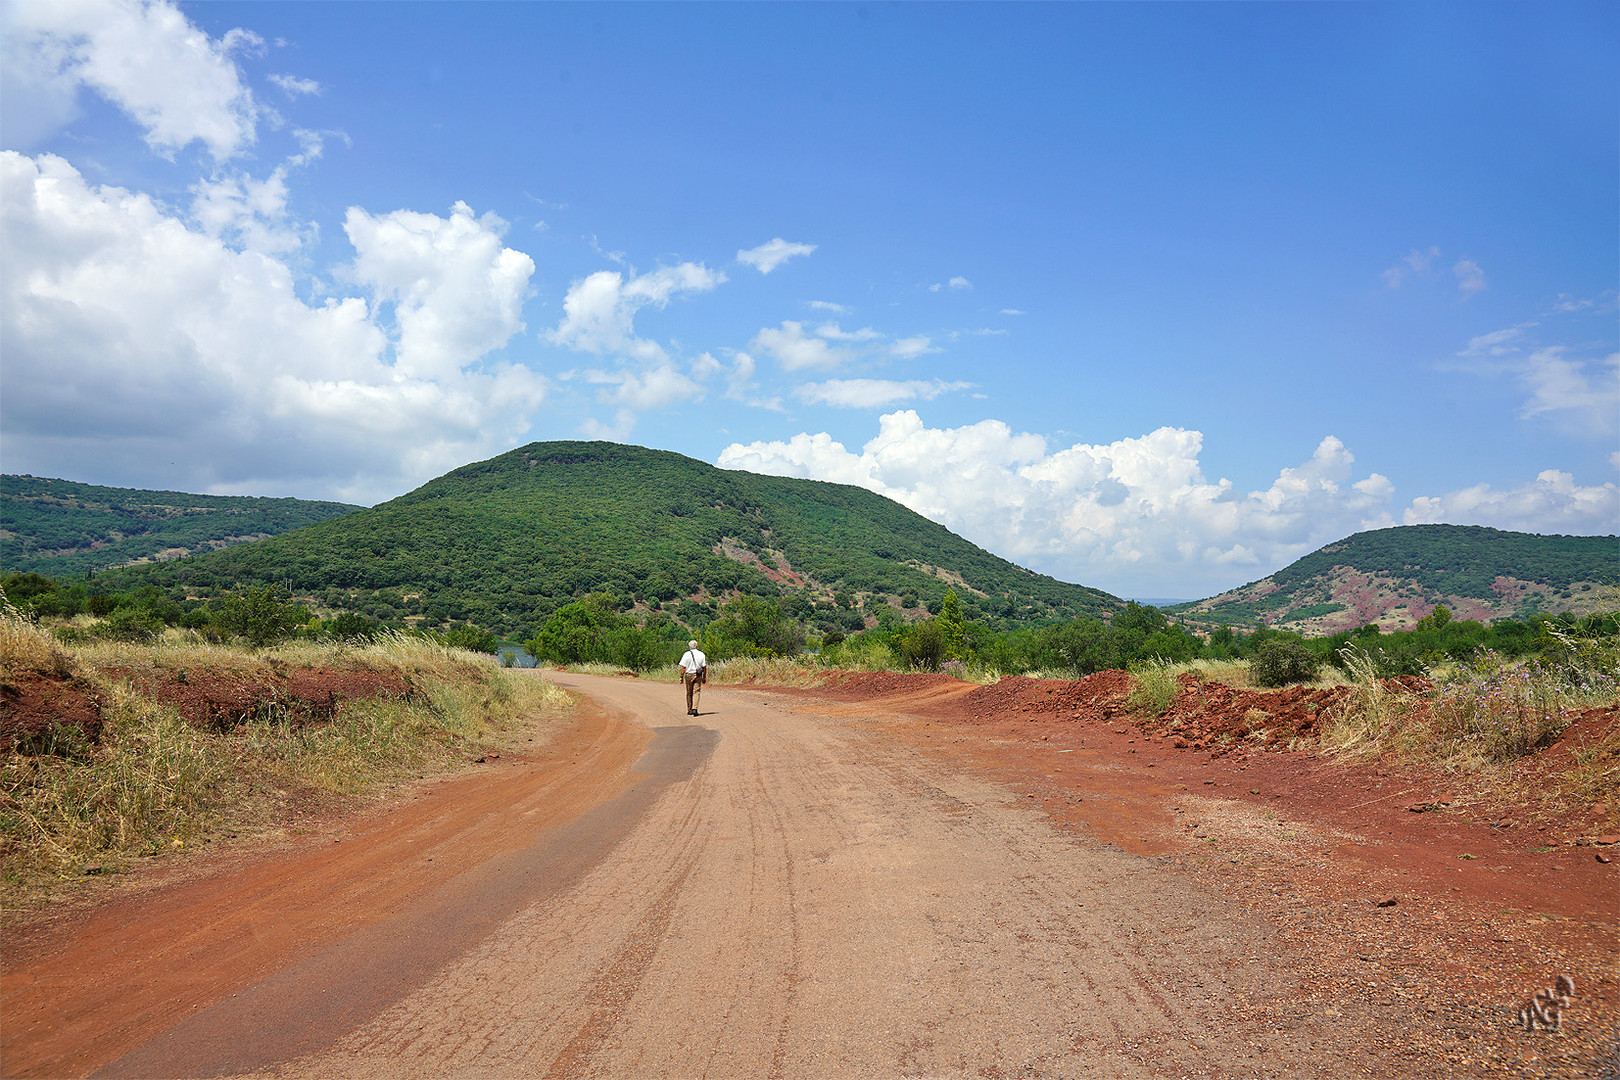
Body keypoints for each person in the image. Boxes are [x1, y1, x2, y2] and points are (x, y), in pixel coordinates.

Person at [677, 639, 707, 716]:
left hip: (689, 675)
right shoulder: (701, 654)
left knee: (689, 693)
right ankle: (695, 708)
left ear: (689, 646)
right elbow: (704, 667)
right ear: (696, 646)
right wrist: (704, 677)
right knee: (696, 692)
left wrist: (681, 677)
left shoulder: (686, 654)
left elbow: (684, 667)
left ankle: (689, 709)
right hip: (698, 675)